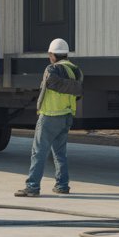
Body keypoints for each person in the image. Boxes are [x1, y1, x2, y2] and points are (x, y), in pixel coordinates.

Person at [15, 38, 83, 197]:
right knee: (60, 153)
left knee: (38, 152)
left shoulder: (52, 69)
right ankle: (62, 185)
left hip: (50, 116)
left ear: (52, 54)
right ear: (66, 54)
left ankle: (32, 187)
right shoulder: (76, 70)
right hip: (67, 115)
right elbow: (78, 93)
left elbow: (51, 83)